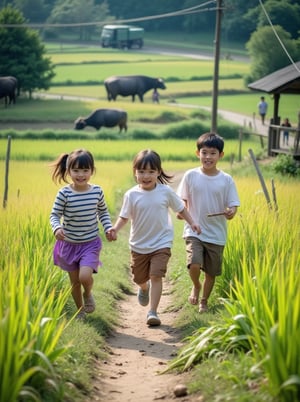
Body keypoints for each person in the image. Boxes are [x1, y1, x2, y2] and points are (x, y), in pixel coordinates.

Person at [109, 149, 201, 326]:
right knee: (139, 278)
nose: (146, 176)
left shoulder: (165, 192)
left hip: (161, 243)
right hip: (138, 245)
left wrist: (192, 222)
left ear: (158, 172)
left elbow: (180, 209)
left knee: (156, 276)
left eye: (151, 171)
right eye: (141, 171)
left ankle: (153, 312)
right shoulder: (131, 194)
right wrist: (114, 229)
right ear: (135, 172)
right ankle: (144, 288)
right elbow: (124, 217)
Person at [176, 133, 240, 313]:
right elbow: (182, 201)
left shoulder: (226, 179)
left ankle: (204, 301)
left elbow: (233, 205)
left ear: (221, 155)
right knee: (194, 264)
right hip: (194, 230)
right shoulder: (190, 175)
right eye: (204, 153)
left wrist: (230, 212)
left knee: (211, 273)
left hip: (217, 234)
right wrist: (181, 212)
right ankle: (196, 285)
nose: (208, 157)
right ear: (198, 153)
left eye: (213, 153)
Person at [49, 149, 113, 320]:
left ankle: (88, 293)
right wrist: (56, 228)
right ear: (68, 170)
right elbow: (54, 215)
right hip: (68, 245)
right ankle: (80, 312)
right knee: (74, 282)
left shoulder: (96, 191)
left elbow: (103, 213)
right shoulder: (64, 193)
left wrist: (108, 228)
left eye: (85, 170)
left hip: (90, 243)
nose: (81, 174)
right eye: (76, 170)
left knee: (84, 276)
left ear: (92, 171)